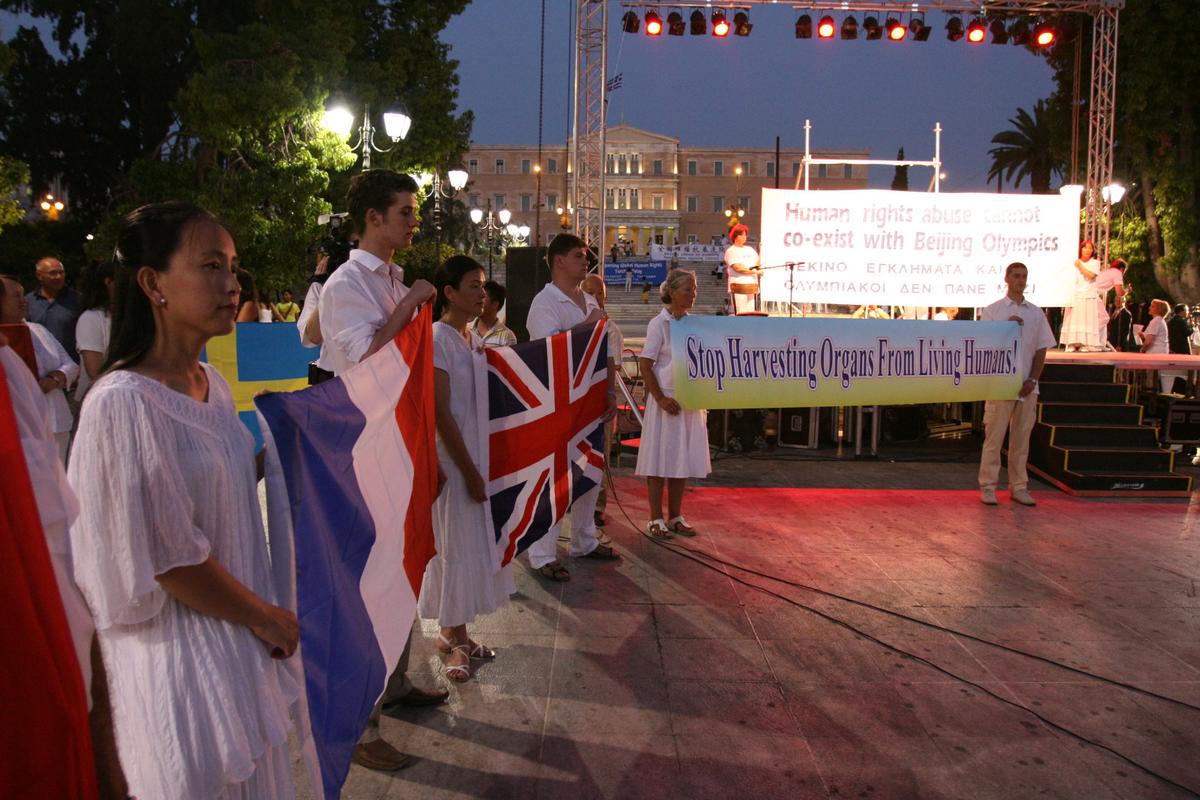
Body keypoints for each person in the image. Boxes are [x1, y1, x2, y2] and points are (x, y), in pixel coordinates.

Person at [67, 202, 300, 798]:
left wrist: (286, 450)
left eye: (234, 266)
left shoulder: (210, 385)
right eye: (211, 266)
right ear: (153, 283)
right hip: (186, 668)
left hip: (240, 645)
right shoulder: (122, 402)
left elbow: (215, 489)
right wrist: (267, 616)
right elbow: (170, 558)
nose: (233, 284)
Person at [316, 169, 447, 771]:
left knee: (397, 567)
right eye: (404, 212)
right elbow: (364, 361)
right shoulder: (348, 282)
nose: (414, 220)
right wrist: (415, 304)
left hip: (397, 443)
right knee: (366, 582)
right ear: (372, 217)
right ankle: (358, 726)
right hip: (362, 450)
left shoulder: (389, 277)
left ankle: (393, 683)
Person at [420, 255, 514, 684]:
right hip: (452, 459)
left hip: (476, 457)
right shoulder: (438, 337)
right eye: (473, 286)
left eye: (483, 286)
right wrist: (469, 470)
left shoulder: (472, 339)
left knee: (466, 544)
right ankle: (454, 637)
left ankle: (455, 631)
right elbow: (440, 411)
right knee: (452, 546)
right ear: (449, 292)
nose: (482, 293)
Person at [525, 233, 619, 582]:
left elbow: (606, 352)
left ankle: (584, 539)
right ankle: (541, 553)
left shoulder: (590, 300)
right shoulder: (544, 302)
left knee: (590, 470)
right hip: (557, 403)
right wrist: (587, 326)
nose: (585, 260)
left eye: (586, 255)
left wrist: (610, 390)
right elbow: (547, 351)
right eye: (578, 255)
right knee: (555, 479)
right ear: (559, 261)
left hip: (590, 401)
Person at [637, 269, 711, 537]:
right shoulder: (659, 324)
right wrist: (660, 398)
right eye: (687, 290)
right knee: (659, 459)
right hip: (666, 400)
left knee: (681, 458)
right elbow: (646, 364)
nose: (693, 295)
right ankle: (655, 517)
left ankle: (675, 515)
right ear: (672, 292)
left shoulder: (692, 325)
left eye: (694, 289)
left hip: (688, 399)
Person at [978, 262, 1057, 507]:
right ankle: (988, 486)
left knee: (1022, 439)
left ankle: (1019, 486)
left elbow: (1041, 349)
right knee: (994, 437)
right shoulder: (992, 311)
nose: (1020, 280)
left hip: (1027, 385)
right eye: (1016, 275)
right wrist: (1005, 327)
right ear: (1006, 278)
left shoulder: (1035, 313)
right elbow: (984, 345)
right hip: (999, 384)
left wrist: (1033, 378)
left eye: (1024, 276)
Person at [1, 274, 78, 461]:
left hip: (55, 421)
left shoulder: (38, 330)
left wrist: (55, 378)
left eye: (23, 294)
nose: (23, 301)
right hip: (19, 427)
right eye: (16, 296)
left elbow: (71, 365)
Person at [582, 273, 624, 540]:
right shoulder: (574, 325)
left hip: (600, 400)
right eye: (591, 294)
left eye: (601, 295)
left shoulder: (611, 329)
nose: (596, 299)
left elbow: (614, 366)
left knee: (600, 454)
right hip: (575, 402)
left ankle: (597, 507)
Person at [25, 256, 82, 360]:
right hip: (40, 365)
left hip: (72, 366)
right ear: (39, 275)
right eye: (53, 273)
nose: (58, 276)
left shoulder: (78, 300)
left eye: (61, 272)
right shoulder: (28, 302)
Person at [74, 260, 115, 403]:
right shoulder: (91, 319)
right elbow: (94, 371)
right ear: (109, 282)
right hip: (99, 402)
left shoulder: (125, 317)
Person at [1060, 239, 1103, 351]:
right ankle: (1072, 343)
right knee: (1074, 319)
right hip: (1075, 295)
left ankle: (1084, 343)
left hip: (1088, 295)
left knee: (1086, 320)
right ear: (1081, 248)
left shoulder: (1095, 263)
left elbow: (1091, 276)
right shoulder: (1074, 262)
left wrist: (1080, 266)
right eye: (1085, 247)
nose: (1088, 250)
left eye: (1090, 248)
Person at [724, 223, 760, 314]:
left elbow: (757, 263)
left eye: (745, 234)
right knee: (741, 312)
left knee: (751, 312)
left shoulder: (750, 249)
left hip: (752, 285)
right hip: (738, 286)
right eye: (742, 234)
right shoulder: (731, 251)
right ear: (736, 236)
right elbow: (738, 268)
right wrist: (754, 271)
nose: (745, 237)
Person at [472, 280, 517, 347]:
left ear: (495, 304)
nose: (477, 301)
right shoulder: (466, 331)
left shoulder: (507, 337)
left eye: (482, 297)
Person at [1141, 299, 1173, 393]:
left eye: (1152, 306)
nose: (1149, 308)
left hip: (1155, 355)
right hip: (1159, 354)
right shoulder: (1159, 321)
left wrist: (1142, 350)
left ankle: (1150, 396)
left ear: (1158, 309)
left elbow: (1149, 341)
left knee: (1151, 379)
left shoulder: (1156, 321)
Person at [1094, 258, 1126, 346]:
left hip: (1090, 293)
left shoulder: (1107, 271)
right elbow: (1120, 292)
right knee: (1104, 318)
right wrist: (1126, 291)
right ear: (1122, 269)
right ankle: (1093, 340)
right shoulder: (1117, 272)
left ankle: (1101, 343)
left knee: (1101, 318)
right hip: (1092, 294)